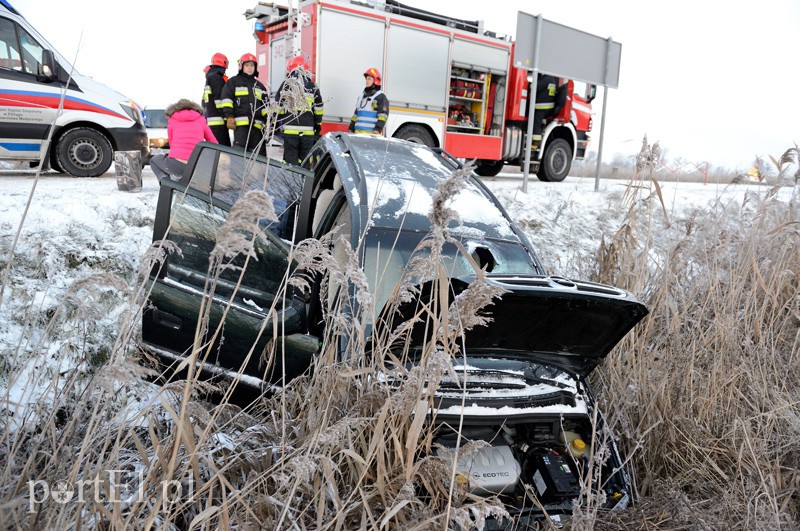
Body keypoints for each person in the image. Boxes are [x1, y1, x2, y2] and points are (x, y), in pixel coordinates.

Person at [149, 99, 218, 182]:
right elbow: (214, 143)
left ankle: (166, 184)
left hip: (176, 164)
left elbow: (172, 144)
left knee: (154, 160)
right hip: (197, 166)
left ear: (175, 109)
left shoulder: (172, 120)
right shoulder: (201, 119)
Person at [275, 55, 324, 166]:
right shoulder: (313, 87)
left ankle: (290, 182)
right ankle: (303, 182)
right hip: (307, 132)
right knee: (306, 161)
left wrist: (276, 122)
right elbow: (318, 108)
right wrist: (317, 124)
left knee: (290, 161)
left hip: (290, 131)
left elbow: (279, 107)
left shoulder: (286, 85)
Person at [220, 53, 270, 155]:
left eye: (252, 65)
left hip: (257, 127)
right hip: (241, 127)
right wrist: (229, 117)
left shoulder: (259, 86)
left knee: (258, 156)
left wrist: (267, 122)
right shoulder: (233, 82)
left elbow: (265, 106)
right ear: (241, 66)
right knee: (239, 154)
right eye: (247, 65)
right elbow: (226, 100)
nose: (249, 68)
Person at [202, 52, 231, 146]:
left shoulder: (210, 78)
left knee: (215, 151)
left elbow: (204, 102)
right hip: (219, 122)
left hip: (211, 121)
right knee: (224, 151)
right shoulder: (216, 78)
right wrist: (226, 117)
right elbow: (219, 100)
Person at [348, 67, 389, 135]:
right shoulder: (361, 97)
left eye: (369, 79)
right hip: (358, 135)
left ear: (375, 81)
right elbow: (356, 115)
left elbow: (383, 115)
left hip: (371, 137)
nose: (366, 81)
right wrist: (351, 128)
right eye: (366, 79)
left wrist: (377, 129)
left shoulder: (380, 97)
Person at [531, 73, 558, 150]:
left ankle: (535, 143)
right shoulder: (552, 79)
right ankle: (542, 127)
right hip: (549, 107)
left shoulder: (545, 79)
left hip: (542, 106)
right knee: (540, 122)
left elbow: (534, 87)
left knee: (536, 122)